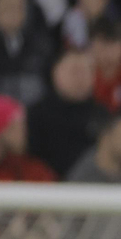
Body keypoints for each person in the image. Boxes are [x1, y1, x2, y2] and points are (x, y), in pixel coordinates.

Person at [27, 48, 100, 179]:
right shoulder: (35, 115)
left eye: (87, 71)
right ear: (56, 72)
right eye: (74, 71)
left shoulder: (102, 114)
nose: (81, 78)